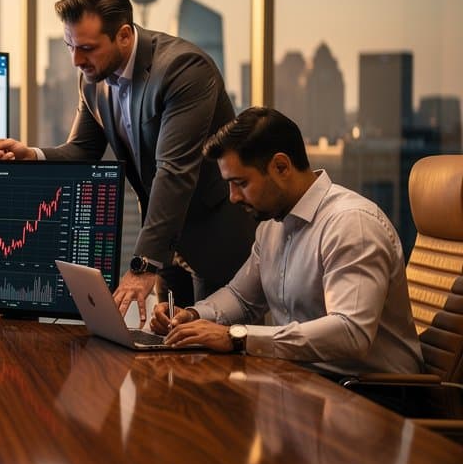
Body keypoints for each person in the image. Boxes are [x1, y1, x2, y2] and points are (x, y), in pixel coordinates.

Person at [0, 0, 256, 324]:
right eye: (70, 46)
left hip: (213, 240)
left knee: (212, 347)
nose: (76, 60)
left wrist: (143, 264)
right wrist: (33, 155)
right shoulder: (92, 79)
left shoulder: (183, 69)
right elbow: (82, 151)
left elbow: (174, 171)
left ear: (125, 36)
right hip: (167, 245)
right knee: (171, 343)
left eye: (87, 48)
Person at [153, 106, 424, 376]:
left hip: (372, 392)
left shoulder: (351, 224)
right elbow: (242, 298)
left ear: (281, 167)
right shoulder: (271, 226)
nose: (233, 197)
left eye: (241, 183)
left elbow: (351, 332)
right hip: (304, 379)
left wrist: (237, 337)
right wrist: (192, 316)